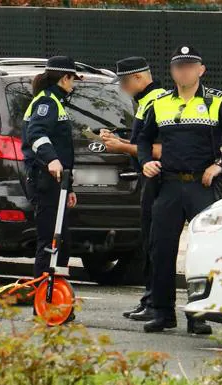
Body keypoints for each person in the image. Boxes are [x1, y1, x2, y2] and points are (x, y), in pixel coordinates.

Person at [137, 46, 222, 334]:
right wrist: (145, 163)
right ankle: (163, 313)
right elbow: (142, 139)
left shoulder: (217, 101)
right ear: (172, 71)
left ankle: (198, 315)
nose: (184, 71)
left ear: (201, 70)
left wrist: (221, 164)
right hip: (170, 186)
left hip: (204, 186)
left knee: (205, 253)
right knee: (160, 250)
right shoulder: (160, 103)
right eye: (179, 67)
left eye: (190, 66)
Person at [100, 57, 165, 322]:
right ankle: (150, 299)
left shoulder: (158, 102)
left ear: (139, 78)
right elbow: (143, 144)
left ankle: (155, 302)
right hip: (147, 179)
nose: (122, 88)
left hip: (159, 181)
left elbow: (161, 150)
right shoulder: (146, 102)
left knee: (155, 244)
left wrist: (121, 147)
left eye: (125, 82)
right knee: (150, 243)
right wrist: (120, 141)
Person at [22, 56, 80, 298]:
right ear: (65, 78)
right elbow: (36, 133)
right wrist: (51, 159)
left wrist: (70, 187)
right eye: (73, 80)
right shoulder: (46, 102)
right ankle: (43, 297)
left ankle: (57, 294)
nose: (74, 85)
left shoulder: (56, 101)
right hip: (45, 181)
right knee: (49, 242)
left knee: (62, 240)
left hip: (58, 182)